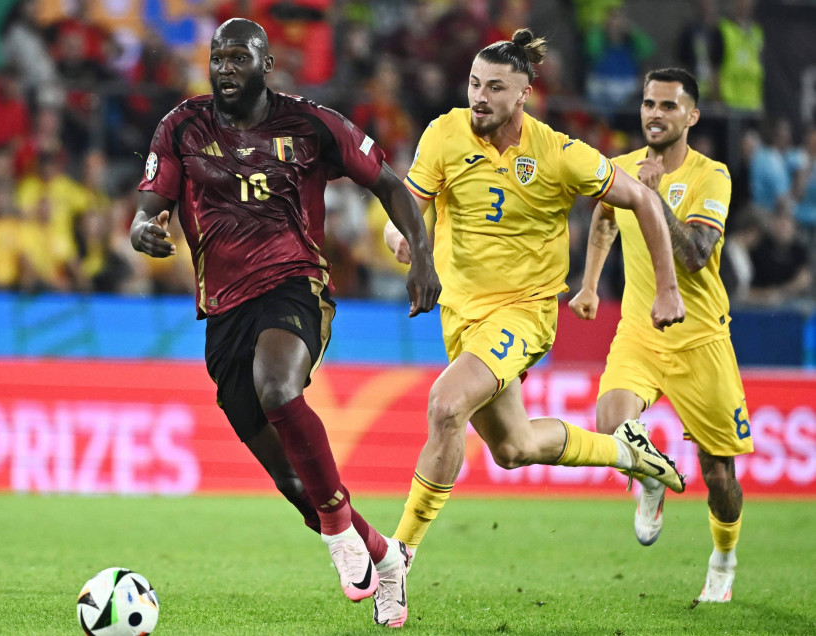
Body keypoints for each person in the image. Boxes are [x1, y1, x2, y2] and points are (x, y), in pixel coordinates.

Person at [130, 18, 440, 628]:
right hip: (222, 310)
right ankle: (382, 554)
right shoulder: (181, 126)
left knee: (278, 387)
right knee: (292, 479)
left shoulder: (311, 124)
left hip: (296, 286)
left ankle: (337, 530)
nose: (223, 68)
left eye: (237, 59)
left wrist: (422, 258)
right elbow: (148, 208)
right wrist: (145, 230)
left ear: (266, 65)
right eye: (217, 58)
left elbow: (390, 185)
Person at [383, 30, 687, 590]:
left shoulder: (559, 154)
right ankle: (631, 455)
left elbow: (643, 199)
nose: (480, 96)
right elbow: (409, 204)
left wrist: (668, 288)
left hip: (524, 314)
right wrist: (398, 235)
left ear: (523, 95)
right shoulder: (444, 132)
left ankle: (397, 559)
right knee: (513, 447)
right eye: (475, 83)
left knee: (446, 405)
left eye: (495, 87)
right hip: (461, 315)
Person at [569, 68, 753, 603]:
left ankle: (723, 560)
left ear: (692, 115)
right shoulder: (622, 168)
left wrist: (655, 201)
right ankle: (651, 479)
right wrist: (589, 284)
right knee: (610, 424)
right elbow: (605, 216)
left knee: (719, 477)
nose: (655, 113)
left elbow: (695, 257)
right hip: (640, 332)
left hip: (701, 341)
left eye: (669, 106)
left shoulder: (711, 176)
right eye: (649, 103)